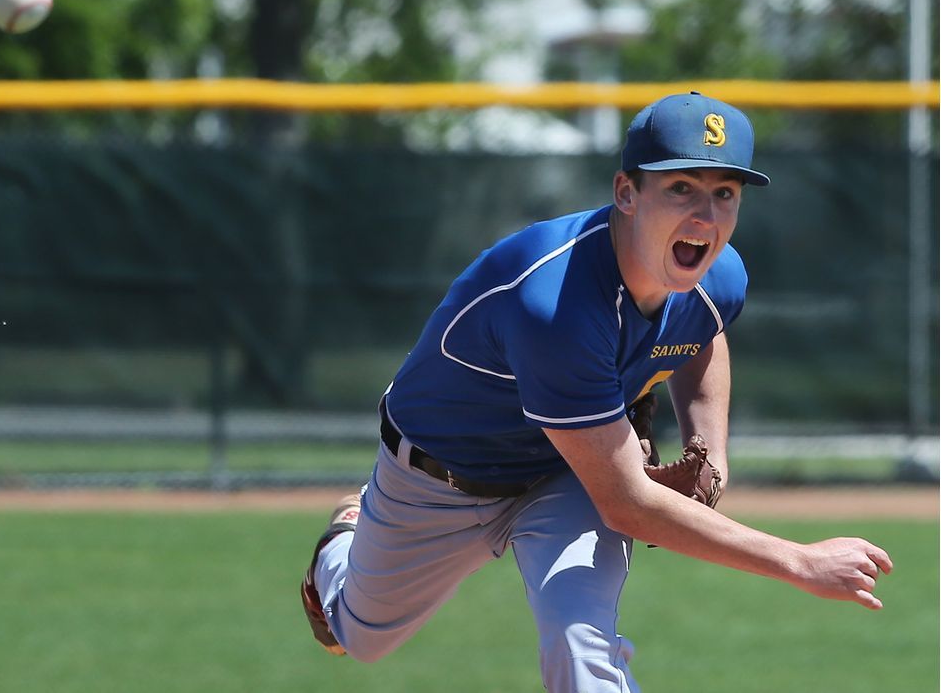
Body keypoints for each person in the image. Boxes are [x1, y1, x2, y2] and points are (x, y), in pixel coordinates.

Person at [300, 91, 893, 692]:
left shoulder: (719, 274)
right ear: (627, 193)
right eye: (681, 187)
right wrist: (801, 561)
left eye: (724, 193)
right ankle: (344, 537)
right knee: (361, 636)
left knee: (578, 640)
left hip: (568, 476)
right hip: (440, 479)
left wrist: (708, 449)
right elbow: (627, 502)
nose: (706, 217)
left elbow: (701, 335)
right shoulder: (553, 301)